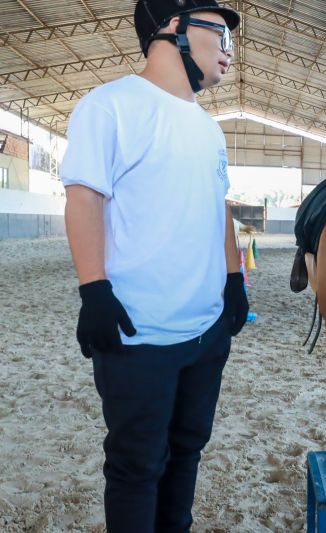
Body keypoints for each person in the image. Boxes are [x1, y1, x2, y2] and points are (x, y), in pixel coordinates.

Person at [60, 1, 249, 531]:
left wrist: (233, 280)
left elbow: (220, 208)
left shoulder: (209, 129)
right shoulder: (112, 105)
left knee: (186, 452)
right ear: (174, 28)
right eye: (220, 33)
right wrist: (93, 289)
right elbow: (84, 198)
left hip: (205, 332)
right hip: (138, 334)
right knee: (137, 468)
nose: (229, 50)